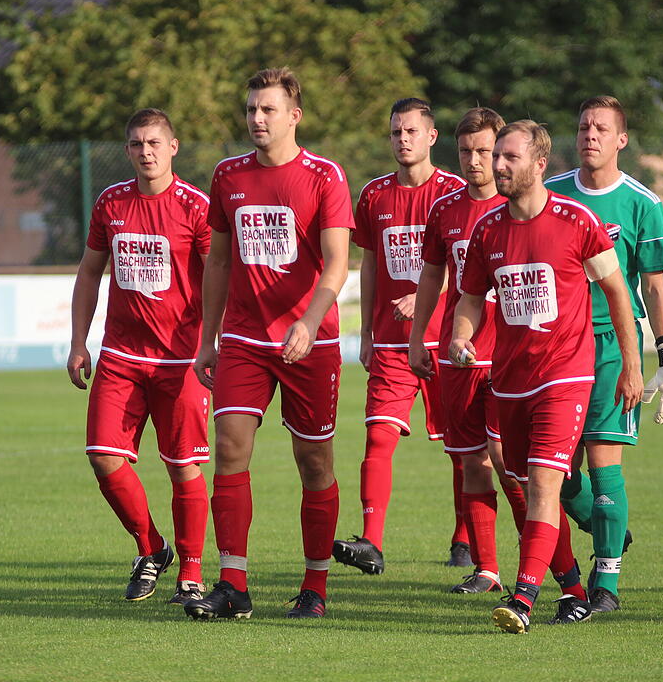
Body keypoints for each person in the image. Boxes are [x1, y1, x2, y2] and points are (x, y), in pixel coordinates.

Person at [450, 120, 643, 633]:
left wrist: (632, 364)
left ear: (539, 164)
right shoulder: (487, 229)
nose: (498, 165)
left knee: (541, 484)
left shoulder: (576, 221)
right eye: (497, 156)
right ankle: (573, 591)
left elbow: (618, 292)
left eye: (509, 157)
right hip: (511, 380)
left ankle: (523, 598)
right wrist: (461, 335)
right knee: (535, 486)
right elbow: (471, 298)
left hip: (565, 376)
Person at [186, 67, 353, 620]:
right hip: (243, 339)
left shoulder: (325, 176)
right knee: (230, 448)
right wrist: (207, 339)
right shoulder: (228, 175)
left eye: (268, 109)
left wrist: (309, 321)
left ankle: (315, 586)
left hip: (311, 343)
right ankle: (233, 585)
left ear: (294, 116)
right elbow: (218, 262)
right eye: (251, 109)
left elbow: (337, 264)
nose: (256, 119)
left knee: (314, 462)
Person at [67, 108, 211, 605]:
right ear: (127, 150)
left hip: (182, 359)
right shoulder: (111, 202)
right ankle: (152, 548)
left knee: (183, 466)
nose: (145, 152)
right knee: (103, 457)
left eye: (153, 143)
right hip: (121, 356)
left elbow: (219, 278)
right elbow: (90, 272)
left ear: (173, 147)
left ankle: (190, 574)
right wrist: (78, 342)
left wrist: (213, 344)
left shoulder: (196, 206)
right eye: (135, 144)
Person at [545, 95, 663, 613]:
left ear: (621, 139)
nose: (590, 135)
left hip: (610, 347)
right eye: (584, 126)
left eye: (602, 128)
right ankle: (607, 526)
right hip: (555, 348)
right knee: (554, 473)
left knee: (604, 465)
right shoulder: (551, 194)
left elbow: (654, 287)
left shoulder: (642, 203)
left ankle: (605, 584)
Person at [332, 98, 467, 576]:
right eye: (396, 132)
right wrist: (366, 331)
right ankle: (371, 540)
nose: (403, 139)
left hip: (449, 341)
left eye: (411, 131)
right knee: (378, 436)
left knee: (462, 447)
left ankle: (465, 538)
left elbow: (466, 262)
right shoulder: (373, 195)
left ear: (431, 136)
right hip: (391, 342)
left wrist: (425, 297)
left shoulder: (455, 192)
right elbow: (369, 264)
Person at [410, 107, 529, 594]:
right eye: (466, 151)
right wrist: (418, 338)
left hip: (508, 357)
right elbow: (431, 278)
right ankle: (487, 569)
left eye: (484, 151)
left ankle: (537, 556)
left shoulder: (520, 208)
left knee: (507, 460)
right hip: (458, 356)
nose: (476, 161)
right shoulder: (445, 210)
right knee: (471, 461)